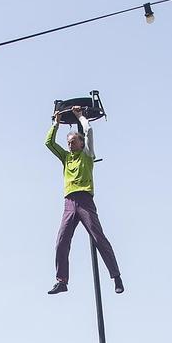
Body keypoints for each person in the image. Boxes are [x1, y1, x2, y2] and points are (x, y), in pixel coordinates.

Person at [46, 115, 123, 295]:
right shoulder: (66, 158)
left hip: (85, 201)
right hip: (69, 203)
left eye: (73, 142)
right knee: (61, 241)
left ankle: (116, 276)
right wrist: (56, 124)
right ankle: (62, 281)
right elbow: (49, 143)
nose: (70, 145)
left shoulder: (87, 155)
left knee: (99, 238)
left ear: (81, 143)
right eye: (69, 142)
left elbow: (88, 131)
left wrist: (81, 116)